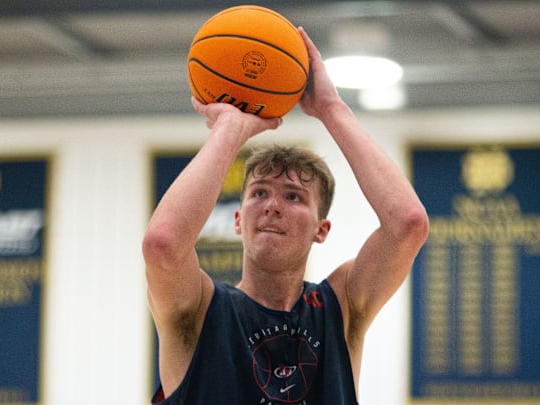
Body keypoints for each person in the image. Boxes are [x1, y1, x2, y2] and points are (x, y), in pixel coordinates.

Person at [142, 27, 429, 405]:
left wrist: (331, 109)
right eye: (259, 192)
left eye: (293, 197)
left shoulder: (341, 307)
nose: (272, 205)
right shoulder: (198, 309)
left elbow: (408, 224)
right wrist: (230, 129)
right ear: (239, 220)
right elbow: (162, 244)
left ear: (321, 230)